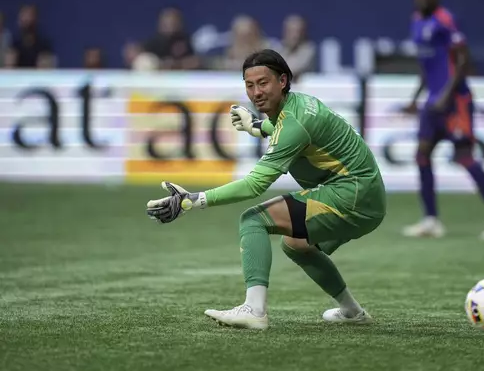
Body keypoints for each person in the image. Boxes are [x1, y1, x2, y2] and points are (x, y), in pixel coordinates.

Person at [146, 49, 387, 330]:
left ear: (282, 81)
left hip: (351, 196)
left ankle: (254, 310)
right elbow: (284, 127)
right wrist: (257, 127)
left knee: (254, 220)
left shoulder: (294, 125)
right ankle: (352, 312)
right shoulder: (299, 105)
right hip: (368, 198)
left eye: (263, 83)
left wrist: (192, 201)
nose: (256, 92)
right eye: (249, 85)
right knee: (297, 245)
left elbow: (254, 184)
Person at [402, 0, 484, 240]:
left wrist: (446, 95)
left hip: (455, 102)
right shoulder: (416, 20)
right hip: (433, 102)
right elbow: (426, 65)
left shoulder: (445, 20)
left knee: (464, 156)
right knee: (422, 156)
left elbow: (464, 60)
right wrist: (415, 97)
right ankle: (431, 219)